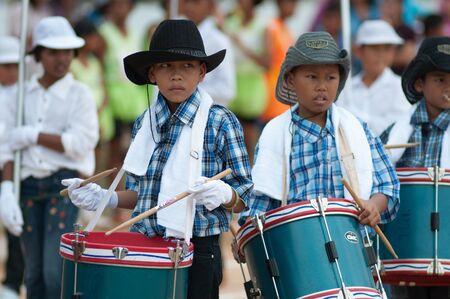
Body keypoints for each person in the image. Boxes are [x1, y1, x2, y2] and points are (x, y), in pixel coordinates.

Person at [61, 19, 253, 299]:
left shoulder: (220, 122)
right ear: (152, 74)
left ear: (201, 73)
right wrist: (106, 198)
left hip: (199, 251)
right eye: (166, 66)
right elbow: (143, 196)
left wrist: (225, 194)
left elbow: (245, 196)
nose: (177, 76)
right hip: (146, 247)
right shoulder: (144, 124)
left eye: (186, 67)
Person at [240, 31, 399, 235]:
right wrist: (248, 233)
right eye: (312, 77)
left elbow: (388, 184)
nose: (322, 87)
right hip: (298, 242)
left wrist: (374, 205)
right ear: (291, 80)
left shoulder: (356, 128)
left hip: (353, 240)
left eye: (330, 78)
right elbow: (262, 197)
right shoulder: (275, 133)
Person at [0, 17, 99, 299]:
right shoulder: (19, 95)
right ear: (39, 54)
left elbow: (82, 142)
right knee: (32, 273)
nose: (62, 58)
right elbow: (7, 147)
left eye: (67, 51)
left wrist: (35, 135)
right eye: (53, 52)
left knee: (54, 271)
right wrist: (6, 190)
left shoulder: (79, 94)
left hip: (62, 186)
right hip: (28, 185)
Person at [380, 36, 450, 299]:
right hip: (405, 249)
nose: (448, 86)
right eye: (440, 79)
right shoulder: (397, 131)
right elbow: (377, 173)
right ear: (420, 83)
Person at [338, 20, 411, 136]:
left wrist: (353, 116)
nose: (381, 54)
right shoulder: (346, 88)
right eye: (374, 48)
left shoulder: (402, 87)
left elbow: (395, 128)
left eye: (387, 48)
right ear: (358, 51)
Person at [222, 0, 268, 164]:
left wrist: (242, 46)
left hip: (252, 88)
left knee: (249, 142)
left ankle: (249, 179)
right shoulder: (230, 21)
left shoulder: (263, 25)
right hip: (233, 84)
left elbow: (266, 62)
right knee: (231, 138)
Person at [0, 36, 24, 299]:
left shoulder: (24, 94)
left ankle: (12, 281)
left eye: (14, 66)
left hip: (12, 167)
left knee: (16, 226)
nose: (10, 72)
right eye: (5, 66)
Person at [182, 0, 236, 107]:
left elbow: (227, 90)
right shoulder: (180, 34)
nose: (188, 7)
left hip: (209, 115)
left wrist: (186, 89)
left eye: (195, 2)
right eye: (186, 1)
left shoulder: (218, 40)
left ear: (210, 7)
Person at [259, 0, 296, 124]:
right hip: (272, 92)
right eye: (292, 2)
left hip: (285, 93)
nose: (294, 6)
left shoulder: (285, 28)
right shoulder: (272, 28)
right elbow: (267, 61)